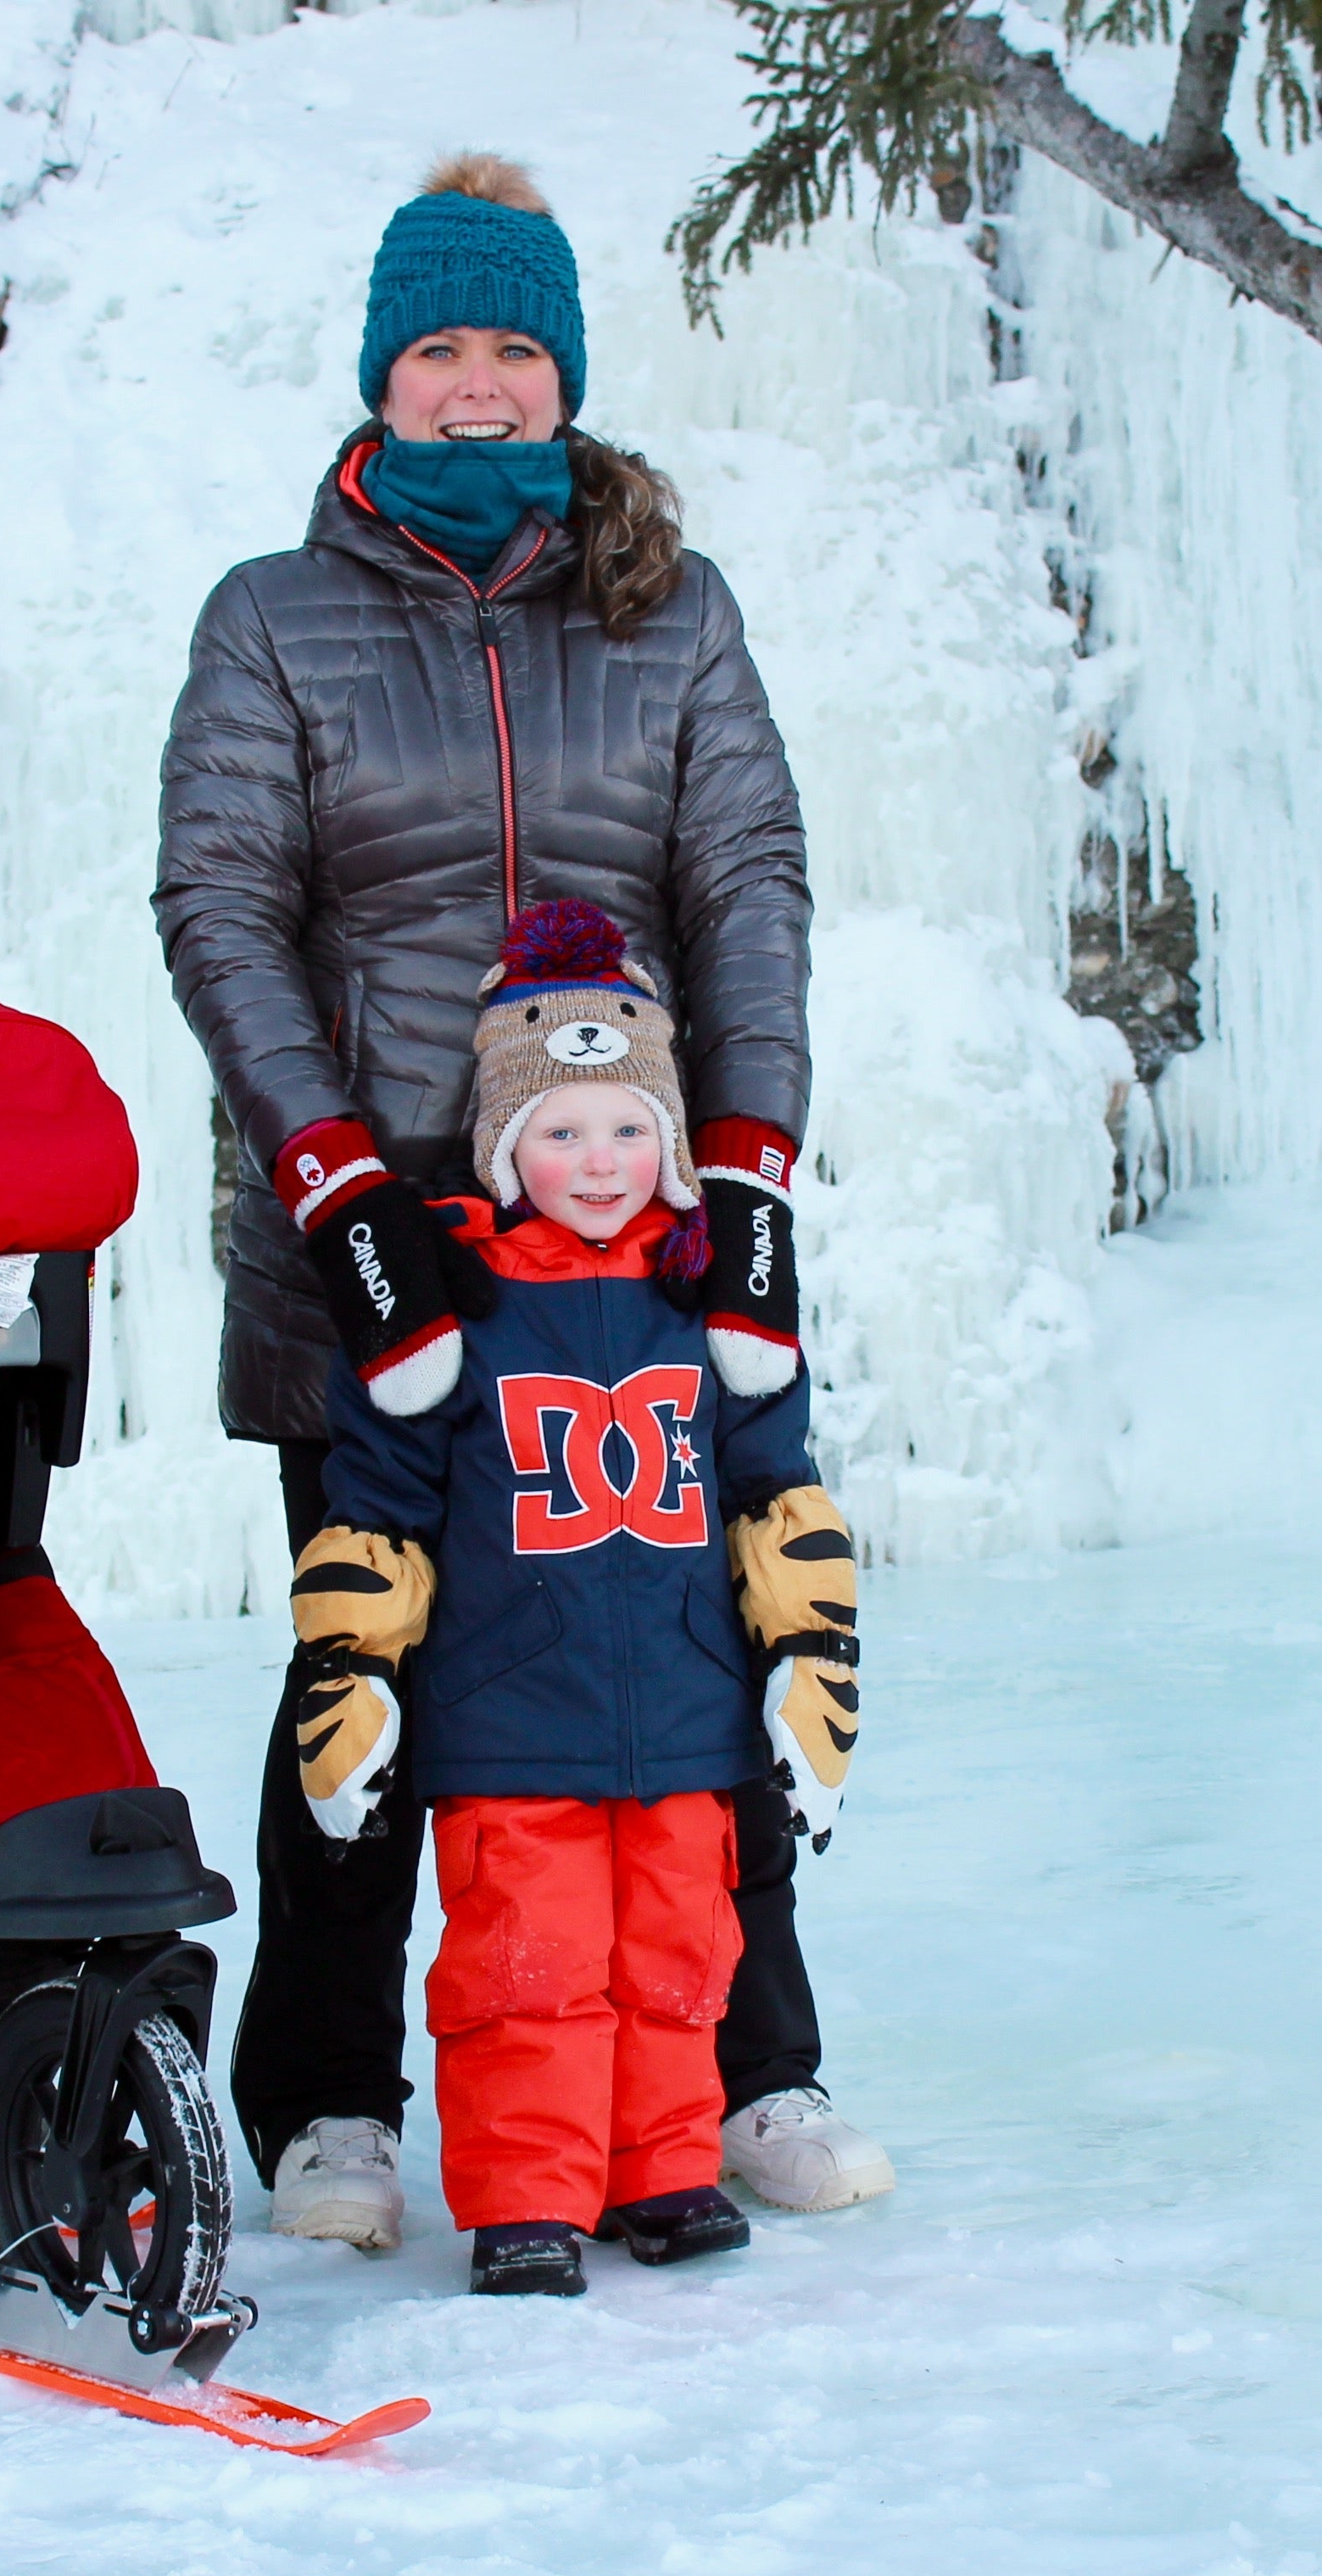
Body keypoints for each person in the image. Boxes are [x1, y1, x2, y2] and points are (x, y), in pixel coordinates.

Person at [154, 150, 892, 2248]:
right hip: (366, 1262)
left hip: (625, 1250)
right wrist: (337, 1194)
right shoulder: (272, 620)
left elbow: (743, 890)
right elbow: (221, 902)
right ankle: (323, 2100)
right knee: (366, 1668)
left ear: (557, 375)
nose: (475, 388)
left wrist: (739, 1182)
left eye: (512, 352)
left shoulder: (665, 610)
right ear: (379, 375)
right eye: (437, 350)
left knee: (687, 1651)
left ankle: (743, 2070)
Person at [282, 908, 862, 2294]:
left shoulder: (710, 1316)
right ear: (500, 1148)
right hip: (508, 1715)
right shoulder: (456, 1318)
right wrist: (349, 1684)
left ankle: (657, 2172)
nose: (594, 1163)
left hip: (681, 1715)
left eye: (622, 1131)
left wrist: (809, 1667)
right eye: (555, 1134)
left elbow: (774, 1495)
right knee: (524, 1967)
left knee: (677, 1958)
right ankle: (526, 2197)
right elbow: (378, 1514)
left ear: (667, 1143)